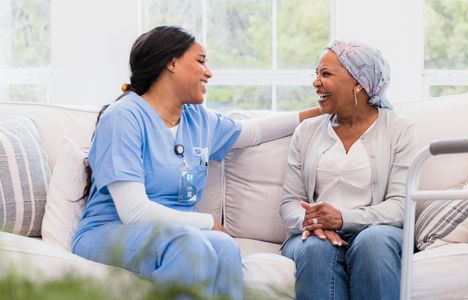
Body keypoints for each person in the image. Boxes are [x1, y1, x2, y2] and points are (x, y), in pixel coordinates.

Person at [71, 26, 321, 299]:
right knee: (190, 245)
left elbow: (254, 132)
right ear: (172, 63)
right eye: (201, 61)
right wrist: (207, 222)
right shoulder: (123, 118)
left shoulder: (196, 119)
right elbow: (134, 212)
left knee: (224, 246)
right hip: (113, 231)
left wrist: (320, 112)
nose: (209, 72)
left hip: (179, 234)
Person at [279, 40, 417, 300]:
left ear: (359, 83)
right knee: (316, 248)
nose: (316, 82)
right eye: (316, 74)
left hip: (377, 231)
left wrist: (343, 218)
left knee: (373, 243)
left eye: (326, 74)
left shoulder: (399, 129)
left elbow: (401, 207)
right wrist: (313, 222)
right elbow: (289, 202)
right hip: (314, 233)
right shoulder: (307, 131)